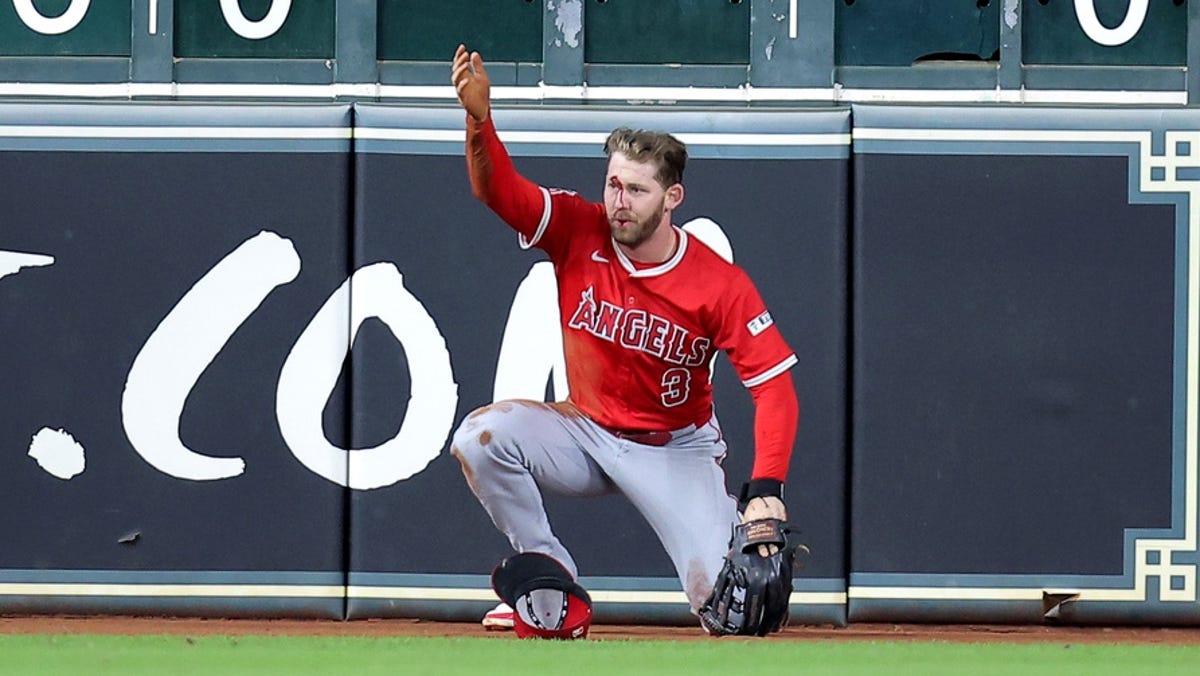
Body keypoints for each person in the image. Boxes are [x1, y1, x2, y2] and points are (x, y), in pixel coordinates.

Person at [448, 45, 800, 633]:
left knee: (734, 612)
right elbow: (498, 192)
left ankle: (720, 546)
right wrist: (479, 122)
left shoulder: (718, 283)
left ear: (672, 197)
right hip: (585, 431)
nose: (619, 202)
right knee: (480, 439)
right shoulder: (577, 227)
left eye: (637, 190)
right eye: (613, 185)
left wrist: (766, 486)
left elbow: (775, 388)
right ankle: (548, 581)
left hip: (673, 449)